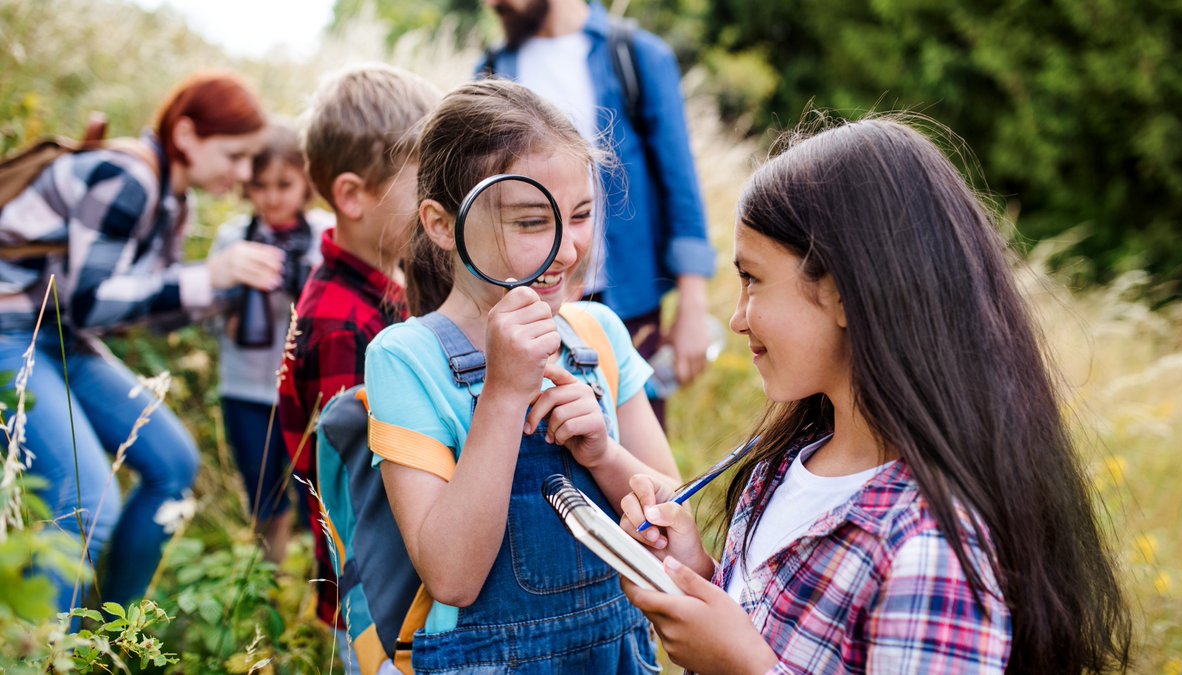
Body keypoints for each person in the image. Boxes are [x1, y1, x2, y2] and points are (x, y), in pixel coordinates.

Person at [619, 118, 1133, 673]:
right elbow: (780, 624)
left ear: (842, 294)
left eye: (753, 278)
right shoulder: (789, 462)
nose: (737, 318)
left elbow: (760, 658)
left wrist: (744, 669)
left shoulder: (931, 550)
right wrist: (693, 570)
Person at [365, 79, 680, 672]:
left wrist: (604, 454)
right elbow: (453, 576)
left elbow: (673, 526)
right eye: (534, 221)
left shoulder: (600, 335)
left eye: (582, 214)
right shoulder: (406, 358)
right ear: (440, 224)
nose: (567, 249)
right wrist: (504, 395)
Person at [0, 72, 279, 612]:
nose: (243, 173)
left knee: (173, 462)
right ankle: (48, 656)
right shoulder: (128, 177)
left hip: (59, 337)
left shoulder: (175, 204)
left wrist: (224, 295)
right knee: (83, 501)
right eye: (235, 155)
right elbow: (90, 303)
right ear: (187, 134)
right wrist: (207, 276)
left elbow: (141, 311)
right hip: (10, 330)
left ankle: (111, 630)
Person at [479, 0, 716, 425]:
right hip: (531, 303)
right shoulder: (492, 71)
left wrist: (693, 305)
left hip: (630, 304)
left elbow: (680, 184)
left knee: (635, 448)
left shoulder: (637, 57)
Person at [275, 63, 440, 672]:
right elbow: (363, 486)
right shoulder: (341, 323)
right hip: (379, 606)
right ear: (352, 195)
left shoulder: (383, 289)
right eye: (422, 182)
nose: (436, 201)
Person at [208, 121, 332, 565]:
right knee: (263, 495)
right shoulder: (234, 238)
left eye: (285, 184)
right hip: (245, 387)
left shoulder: (323, 235)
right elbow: (206, 313)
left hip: (307, 391)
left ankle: (323, 594)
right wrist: (234, 314)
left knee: (317, 501)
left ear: (306, 184)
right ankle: (267, 587)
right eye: (260, 186)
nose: (273, 197)